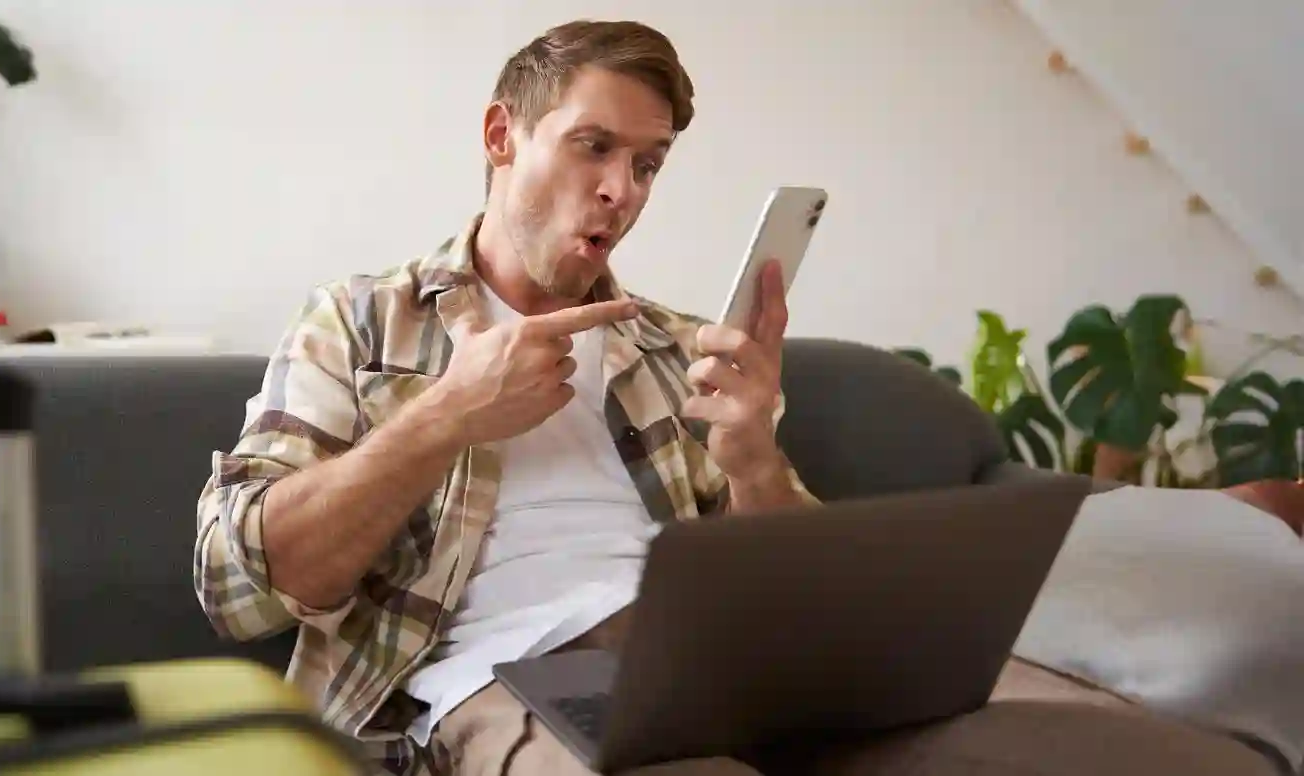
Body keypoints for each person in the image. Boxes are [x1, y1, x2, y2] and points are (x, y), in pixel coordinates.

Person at [193, 19, 1274, 776]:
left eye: (649, 162)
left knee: (1149, 754)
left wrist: (755, 455)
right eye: (593, 147)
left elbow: (808, 587)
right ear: (498, 136)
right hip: (513, 682)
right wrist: (443, 416)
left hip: (733, 670)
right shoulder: (361, 321)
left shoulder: (675, 347)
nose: (621, 190)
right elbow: (243, 583)